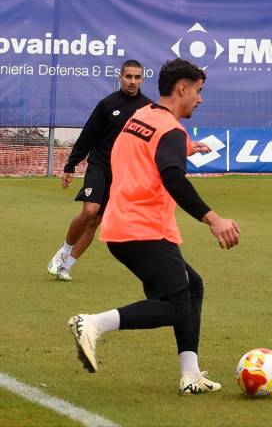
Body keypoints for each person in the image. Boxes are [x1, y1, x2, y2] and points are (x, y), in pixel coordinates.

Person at [67, 58, 240, 394]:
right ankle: (92, 324)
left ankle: (190, 375)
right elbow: (173, 177)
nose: (200, 99)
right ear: (182, 89)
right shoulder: (171, 130)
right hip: (143, 228)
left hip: (122, 227)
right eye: (198, 91)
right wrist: (213, 219)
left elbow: (140, 148)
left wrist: (186, 146)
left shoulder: (141, 117)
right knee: (177, 306)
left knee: (193, 287)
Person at [47, 60, 152, 281]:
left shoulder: (148, 109)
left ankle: (66, 266)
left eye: (137, 77)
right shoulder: (107, 104)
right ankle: (64, 250)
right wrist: (70, 166)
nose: (132, 81)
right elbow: (88, 136)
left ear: (142, 79)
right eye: (128, 77)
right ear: (120, 77)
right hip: (100, 166)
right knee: (89, 211)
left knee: (96, 221)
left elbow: (151, 143)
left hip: (123, 174)